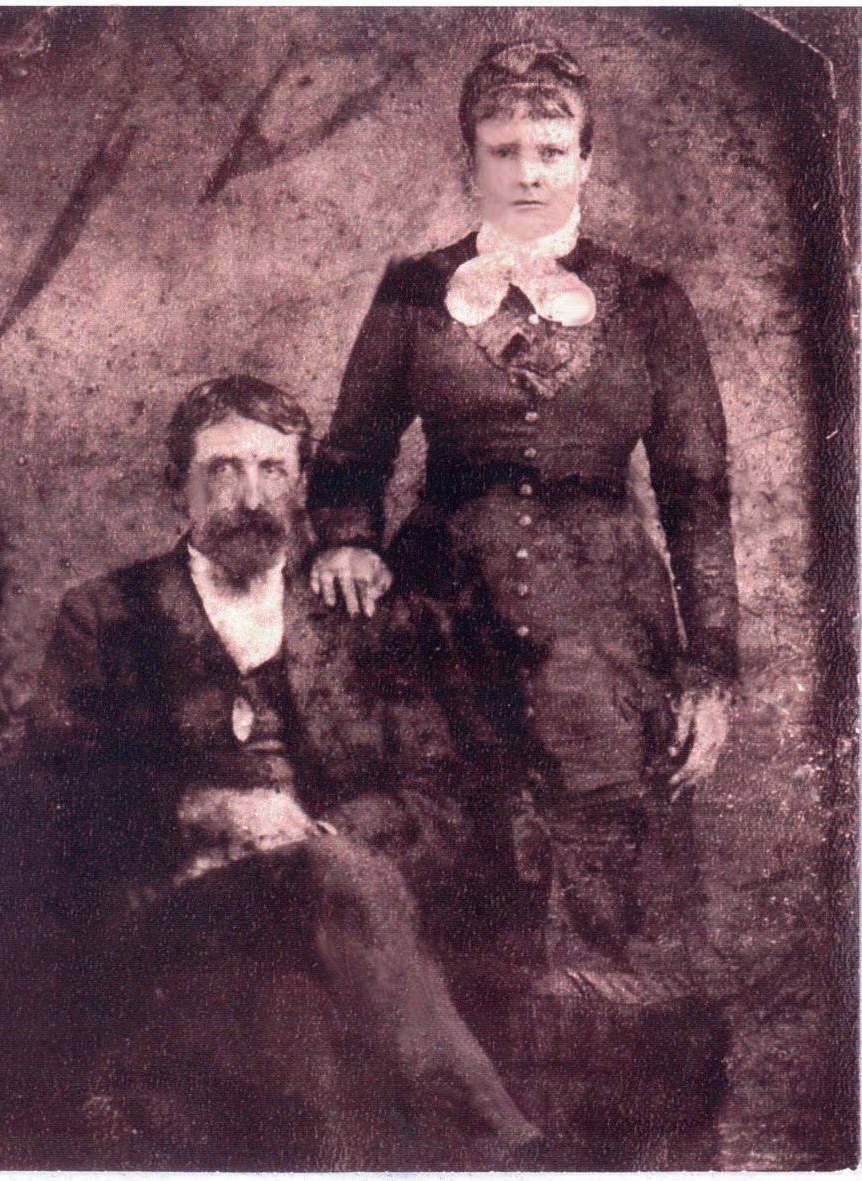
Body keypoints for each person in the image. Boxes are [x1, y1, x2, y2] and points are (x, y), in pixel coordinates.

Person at [307, 40, 739, 1165]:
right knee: (466, 878)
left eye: (551, 149)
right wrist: (346, 538)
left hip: (609, 641)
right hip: (447, 629)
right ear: (470, 162)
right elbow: (350, 454)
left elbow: (696, 495)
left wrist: (711, 670)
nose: (528, 171)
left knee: (608, 887)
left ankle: (605, 1150)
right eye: (503, 150)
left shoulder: (648, 301)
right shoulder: (414, 292)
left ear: (587, 160)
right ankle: (475, 1148)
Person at [24, 375, 541, 1170]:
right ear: (176, 485)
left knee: (302, 1020)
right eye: (222, 469)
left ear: (300, 486)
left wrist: (318, 837)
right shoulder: (107, 614)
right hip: (180, 904)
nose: (250, 496)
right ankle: (501, 1143)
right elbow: (56, 797)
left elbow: (437, 795)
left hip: (338, 921)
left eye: (272, 469)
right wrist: (206, 809)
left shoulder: (360, 615)